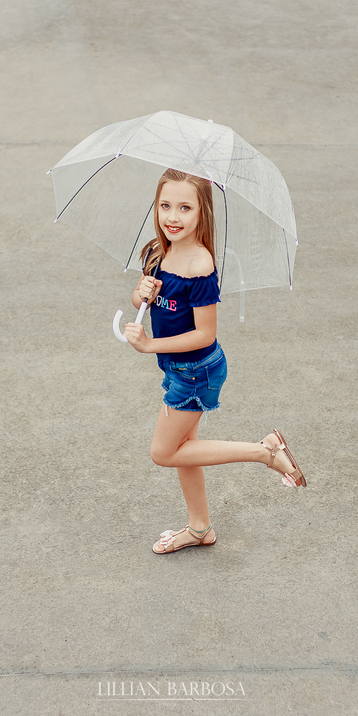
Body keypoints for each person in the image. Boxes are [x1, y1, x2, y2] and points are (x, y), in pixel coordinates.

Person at [123, 168, 306, 555]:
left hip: (196, 371)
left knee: (164, 452)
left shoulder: (200, 266)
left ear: (202, 213)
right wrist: (139, 296)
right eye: (165, 205)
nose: (173, 216)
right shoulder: (159, 251)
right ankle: (200, 528)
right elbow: (143, 303)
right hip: (179, 369)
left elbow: (205, 334)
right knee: (185, 449)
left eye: (185, 207)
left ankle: (265, 451)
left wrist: (149, 346)